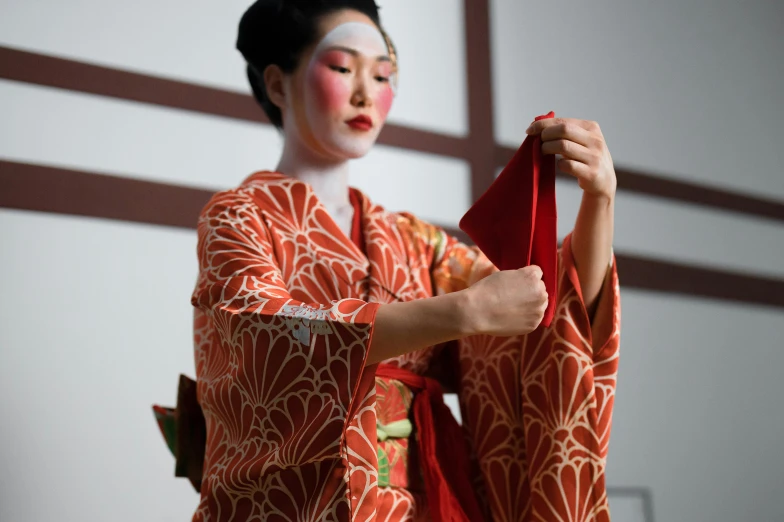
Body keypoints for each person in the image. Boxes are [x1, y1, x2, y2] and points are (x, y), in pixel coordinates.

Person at [185, 0, 621, 520]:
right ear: (278, 85)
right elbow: (263, 331)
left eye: (383, 74)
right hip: (303, 504)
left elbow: (543, 308)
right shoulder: (238, 216)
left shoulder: (411, 239)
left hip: (422, 502)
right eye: (343, 69)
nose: (366, 92)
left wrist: (599, 201)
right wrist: (462, 313)